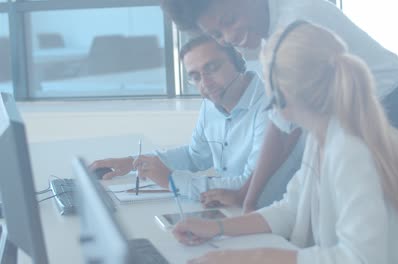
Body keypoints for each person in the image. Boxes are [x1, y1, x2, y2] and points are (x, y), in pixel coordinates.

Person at [162, 0, 398, 212]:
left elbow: (284, 131)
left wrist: (249, 197)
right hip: (377, 117)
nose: (229, 37)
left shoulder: (297, 20)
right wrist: (247, 197)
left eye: (228, 21)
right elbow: (281, 124)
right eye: (217, 35)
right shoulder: (268, 43)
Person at [172, 21, 398, 264]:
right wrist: (216, 228)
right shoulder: (321, 137)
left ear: (284, 93)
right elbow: (291, 208)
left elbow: (357, 259)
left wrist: (253, 257)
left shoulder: (351, 148)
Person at [90, 35, 270, 203]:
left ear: (237, 60)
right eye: (195, 76)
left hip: (265, 214)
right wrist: (134, 162)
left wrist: (172, 181)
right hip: (230, 207)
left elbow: (248, 185)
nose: (205, 83)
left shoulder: (269, 106)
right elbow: (195, 156)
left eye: (212, 68)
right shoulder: (212, 101)